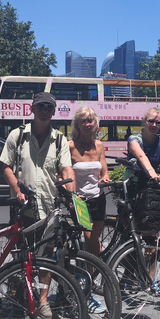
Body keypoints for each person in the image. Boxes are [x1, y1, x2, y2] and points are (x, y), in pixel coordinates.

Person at [0, 92, 75, 319]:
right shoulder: (18, 135)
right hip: (24, 207)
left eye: (49, 107)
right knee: (21, 256)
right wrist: (18, 188)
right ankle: (19, 295)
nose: (44, 110)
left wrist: (72, 192)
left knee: (47, 257)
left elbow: (66, 169)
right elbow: (5, 166)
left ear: (53, 111)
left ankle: (42, 300)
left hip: (49, 207)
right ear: (32, 109)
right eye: (41, 106)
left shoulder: (60, 139)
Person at [68, 107, 110, 257]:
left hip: (98, 198)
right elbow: (62, 174)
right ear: (77, 125)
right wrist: (70, 195)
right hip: (80, 199)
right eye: (83, 121)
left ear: (95, 123)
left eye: (90, 121)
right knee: (89, 237)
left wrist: (105, 177)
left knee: (94, 240)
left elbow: (104, 170)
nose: (87, 124)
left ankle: (90, 273)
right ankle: (100, 271)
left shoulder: (99, 145)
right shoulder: (70, 146)